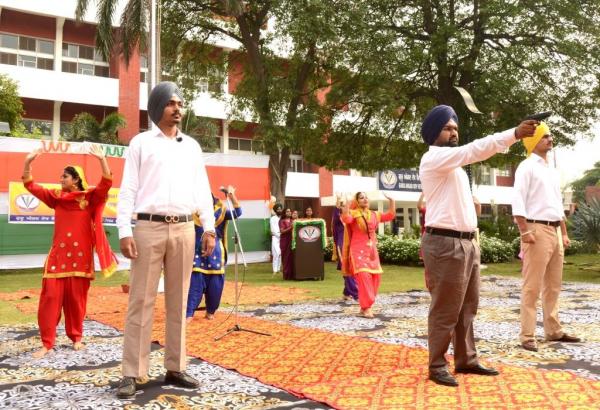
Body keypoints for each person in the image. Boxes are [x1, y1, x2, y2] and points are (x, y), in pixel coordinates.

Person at [419, 104, 537, 387]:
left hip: (467, 243)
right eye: (447, 128)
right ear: (434, 132)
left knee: (468, 307)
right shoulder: (434, 158)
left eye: (455, 128)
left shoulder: (456, 168)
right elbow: (474, 150)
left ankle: (466, 359)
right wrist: (514, 134)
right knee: (446, 309)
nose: (453, 132)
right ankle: (437, 365)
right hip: (445, 243)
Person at [116, 81, 216, 399]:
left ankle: (176, 367)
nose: (178, 108)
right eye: (172, 103)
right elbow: (128, 189)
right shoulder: (141, 144)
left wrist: (209, 228)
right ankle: (133, 372)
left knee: (180, 300)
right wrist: (124, 230)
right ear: (158, 107)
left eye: (180, 103)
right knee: (140, 302)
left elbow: (202, 189)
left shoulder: (192, 147)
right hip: (148, 229)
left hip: (186, 229)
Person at [22, 144, 116, 359]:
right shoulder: (56, 198)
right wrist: (28, 162)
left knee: (76, 300)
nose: (60, 179)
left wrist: (102, 160)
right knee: (50, 298)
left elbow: (106, 183)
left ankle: (76, 338)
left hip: (80, 259)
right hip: (58, 257)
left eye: (64, 176)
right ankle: (47, 342)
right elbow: (30, 186)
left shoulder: (90, 198)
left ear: (75, 179)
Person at [512, 122, 580, 352]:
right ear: (533, 141)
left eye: (550, 136)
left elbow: (556, 204)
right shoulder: (526, 166)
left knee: (553, 286)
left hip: (555, 231)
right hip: (536, 229)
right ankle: (527, 335)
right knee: (532, 286)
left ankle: (553, 330)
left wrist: (565, 232)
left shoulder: (551, 170)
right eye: (545, 136)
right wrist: (524, 230)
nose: (550, 139)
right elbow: (518, 199)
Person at [186, 188, 242, 322]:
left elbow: (238, 212)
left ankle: (211, 311)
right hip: (197, 254)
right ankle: (189, 313)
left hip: (216, 255)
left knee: (215, 287)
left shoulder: (222, 212)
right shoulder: (190, 213)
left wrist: (232, 196)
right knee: (195, 285)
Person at [340, 192, 395, 317]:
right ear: (357, 201)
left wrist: (392, 201)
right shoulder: (354, 214)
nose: (365, 199)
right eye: (361, 197)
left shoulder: (375, 214)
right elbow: (346, 219)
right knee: (364, 276)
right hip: (357, 250)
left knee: (376, 278)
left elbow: (390, 215)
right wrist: (346, 207)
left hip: (371, 251)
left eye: (366, 197)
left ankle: (364, 306)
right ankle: (366, 307)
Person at [332, 197, 358, 301]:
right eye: (342, 206)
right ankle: (356, 293)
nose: (344, 207)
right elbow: (336, 214)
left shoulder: (350, 218)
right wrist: (337, 206)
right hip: (342, 246)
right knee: (346, 269)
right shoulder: (338, 218)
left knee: (352, 269)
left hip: (352, 246)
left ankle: (347, 292)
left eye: (345, 205)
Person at [279, 208, 293, 280]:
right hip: (284, 242)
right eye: (287, 211)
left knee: (291, 258)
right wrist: (291, 227)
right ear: (284, 213)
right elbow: (282, 231)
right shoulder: (281, 221)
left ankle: (292, 275)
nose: (289, 212)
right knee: (285, 259)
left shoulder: (292, 221)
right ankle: (286, 276)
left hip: (291, 241)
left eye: (290, 211)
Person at [270, 203, 282, 275]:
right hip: (275, 237)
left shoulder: (282, 218)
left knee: (280, 254)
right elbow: (273, 230)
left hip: (282, 238)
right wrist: (280, 235)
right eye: (278, 209)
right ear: (275, 210)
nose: (279, 210)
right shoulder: (273, 218)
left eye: (280, 209)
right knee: (276, 253)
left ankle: (278, 269)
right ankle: (274, 270)